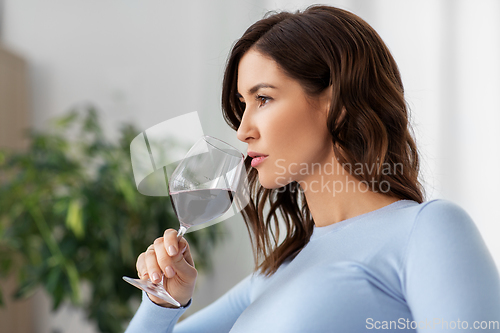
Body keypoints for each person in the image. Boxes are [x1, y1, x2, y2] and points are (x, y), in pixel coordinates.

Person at [125, 5, 500, 332]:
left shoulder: (428, 230)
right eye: (243, 104)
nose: (242, 131)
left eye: (264, 98)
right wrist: (162, 305)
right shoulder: (277, 272)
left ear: (336, 103)